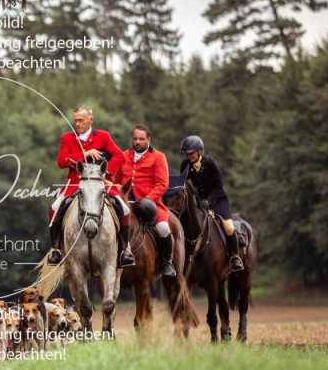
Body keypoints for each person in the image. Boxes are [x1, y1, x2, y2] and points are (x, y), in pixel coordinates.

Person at [48, 105, 134, 267]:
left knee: (125, 209)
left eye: (81, 120)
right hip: (76, 182)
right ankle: (55, 250)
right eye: (75, 121)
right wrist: (85, 154)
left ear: (90, 120)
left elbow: (119, 157)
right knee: (54, 207)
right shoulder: (67, 138)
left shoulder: (103, 136)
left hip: (100, 183)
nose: (77, 124)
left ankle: (125, 250)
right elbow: (61, 161)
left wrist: (106, 173)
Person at [113, 124, 177, 278]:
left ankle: (167, 262)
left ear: (149, 139)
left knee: (163, 228)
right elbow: (116, 180)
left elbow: (162, 184)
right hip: (126, 204)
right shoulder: (123, 156)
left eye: (141, 139)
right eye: (135, 138)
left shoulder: (158, 157)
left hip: (151, 204)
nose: (137, 142)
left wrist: (146, 200)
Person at [179, 135, 244, 271]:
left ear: (199, 151)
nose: (189, 156)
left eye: (191, 153)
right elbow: (184, 185)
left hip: (218, 200)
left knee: (228, 227)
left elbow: (219, 187)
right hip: (199, 203)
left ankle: (235, 257)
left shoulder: (210, 164)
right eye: (187, 153)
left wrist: (209, 202)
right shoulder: (185, 165)